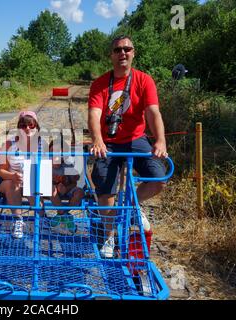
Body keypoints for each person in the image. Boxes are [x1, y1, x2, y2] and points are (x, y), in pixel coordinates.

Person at [88, 35, 168, 258]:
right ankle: (109, 235)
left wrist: (160, 140)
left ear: (133, 53)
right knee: (104, 186)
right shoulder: (100, 83)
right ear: (111, 55)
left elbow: (153, 112)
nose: (122, 53)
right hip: (109, 142)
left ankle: (130, 204)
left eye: (127, 49)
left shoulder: (144, 80)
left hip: (136, 139)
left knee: (158, 178)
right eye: (117, 50)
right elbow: (94, 115)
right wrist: (97, 139)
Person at [0, 111, 43, 239]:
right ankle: (18, 220)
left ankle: (40, 217)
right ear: (19, 128)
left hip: (32, 181)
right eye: (23, 125)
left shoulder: (42, 145)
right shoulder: (7, 145)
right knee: (13, 183)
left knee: (32, 183)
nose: (27, 128)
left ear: (36, 127)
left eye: (31, 125)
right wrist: (13, 176)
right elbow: (2, 170)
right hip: (11, 181)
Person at [49, 140, 85, 233]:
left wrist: (66, 188)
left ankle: (63, 214)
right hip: (52, 190)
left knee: (79, 192)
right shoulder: (46, 164)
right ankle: (64, 215)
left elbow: (74, 183)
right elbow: (43, 181)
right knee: (50, 188)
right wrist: (57, 186)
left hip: (67, 188)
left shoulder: (68, 165)